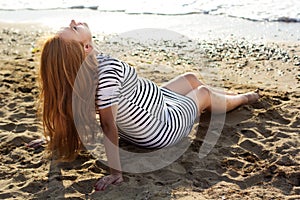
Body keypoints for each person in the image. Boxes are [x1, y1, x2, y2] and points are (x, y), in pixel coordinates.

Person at [29, 20, 260, 191]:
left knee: (190, 78)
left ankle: (225, 97)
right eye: (74, 29)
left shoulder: (85, 69)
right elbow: (109, 127)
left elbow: (72, 113)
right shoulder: (106, 76)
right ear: (85, 48)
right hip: (162, 127)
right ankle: (244, 98)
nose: (73, 22)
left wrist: (54, 137)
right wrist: (115, 174)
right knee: (203, 92)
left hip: (155, 104)